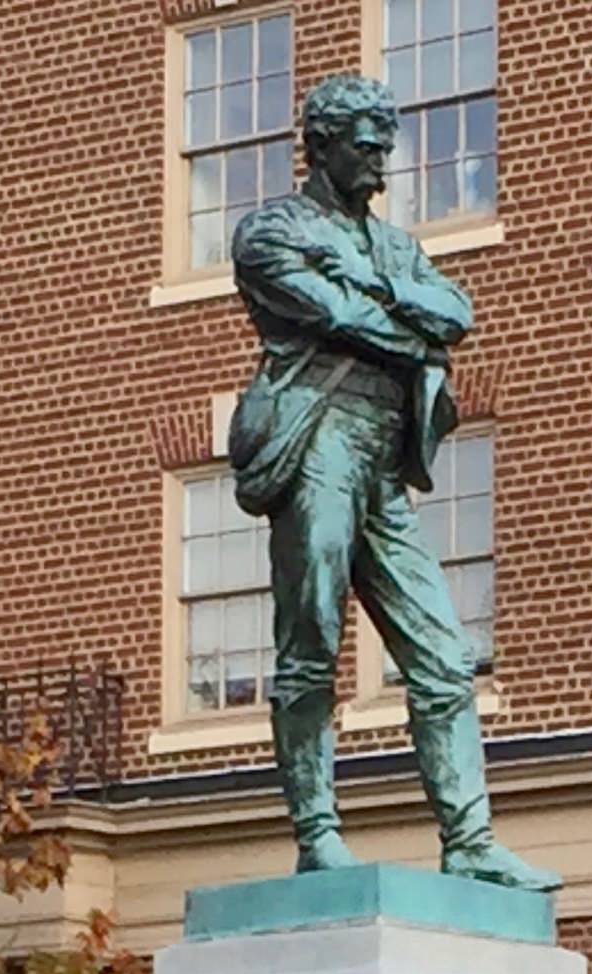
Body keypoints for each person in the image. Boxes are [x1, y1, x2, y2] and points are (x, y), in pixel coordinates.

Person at [226, 72, 556, 891]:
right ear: (324, 146)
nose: (380, 162)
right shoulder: (270, 230)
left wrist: (381, 290)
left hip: (382, 464)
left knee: (443, 656)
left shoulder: (393, 246)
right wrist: (393, 316)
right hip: (318, 445)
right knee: (312, 644)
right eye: (366, 147)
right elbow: (343, 319)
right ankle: (316, 832)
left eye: (386, 147)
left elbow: (454, 315)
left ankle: (470, 841)